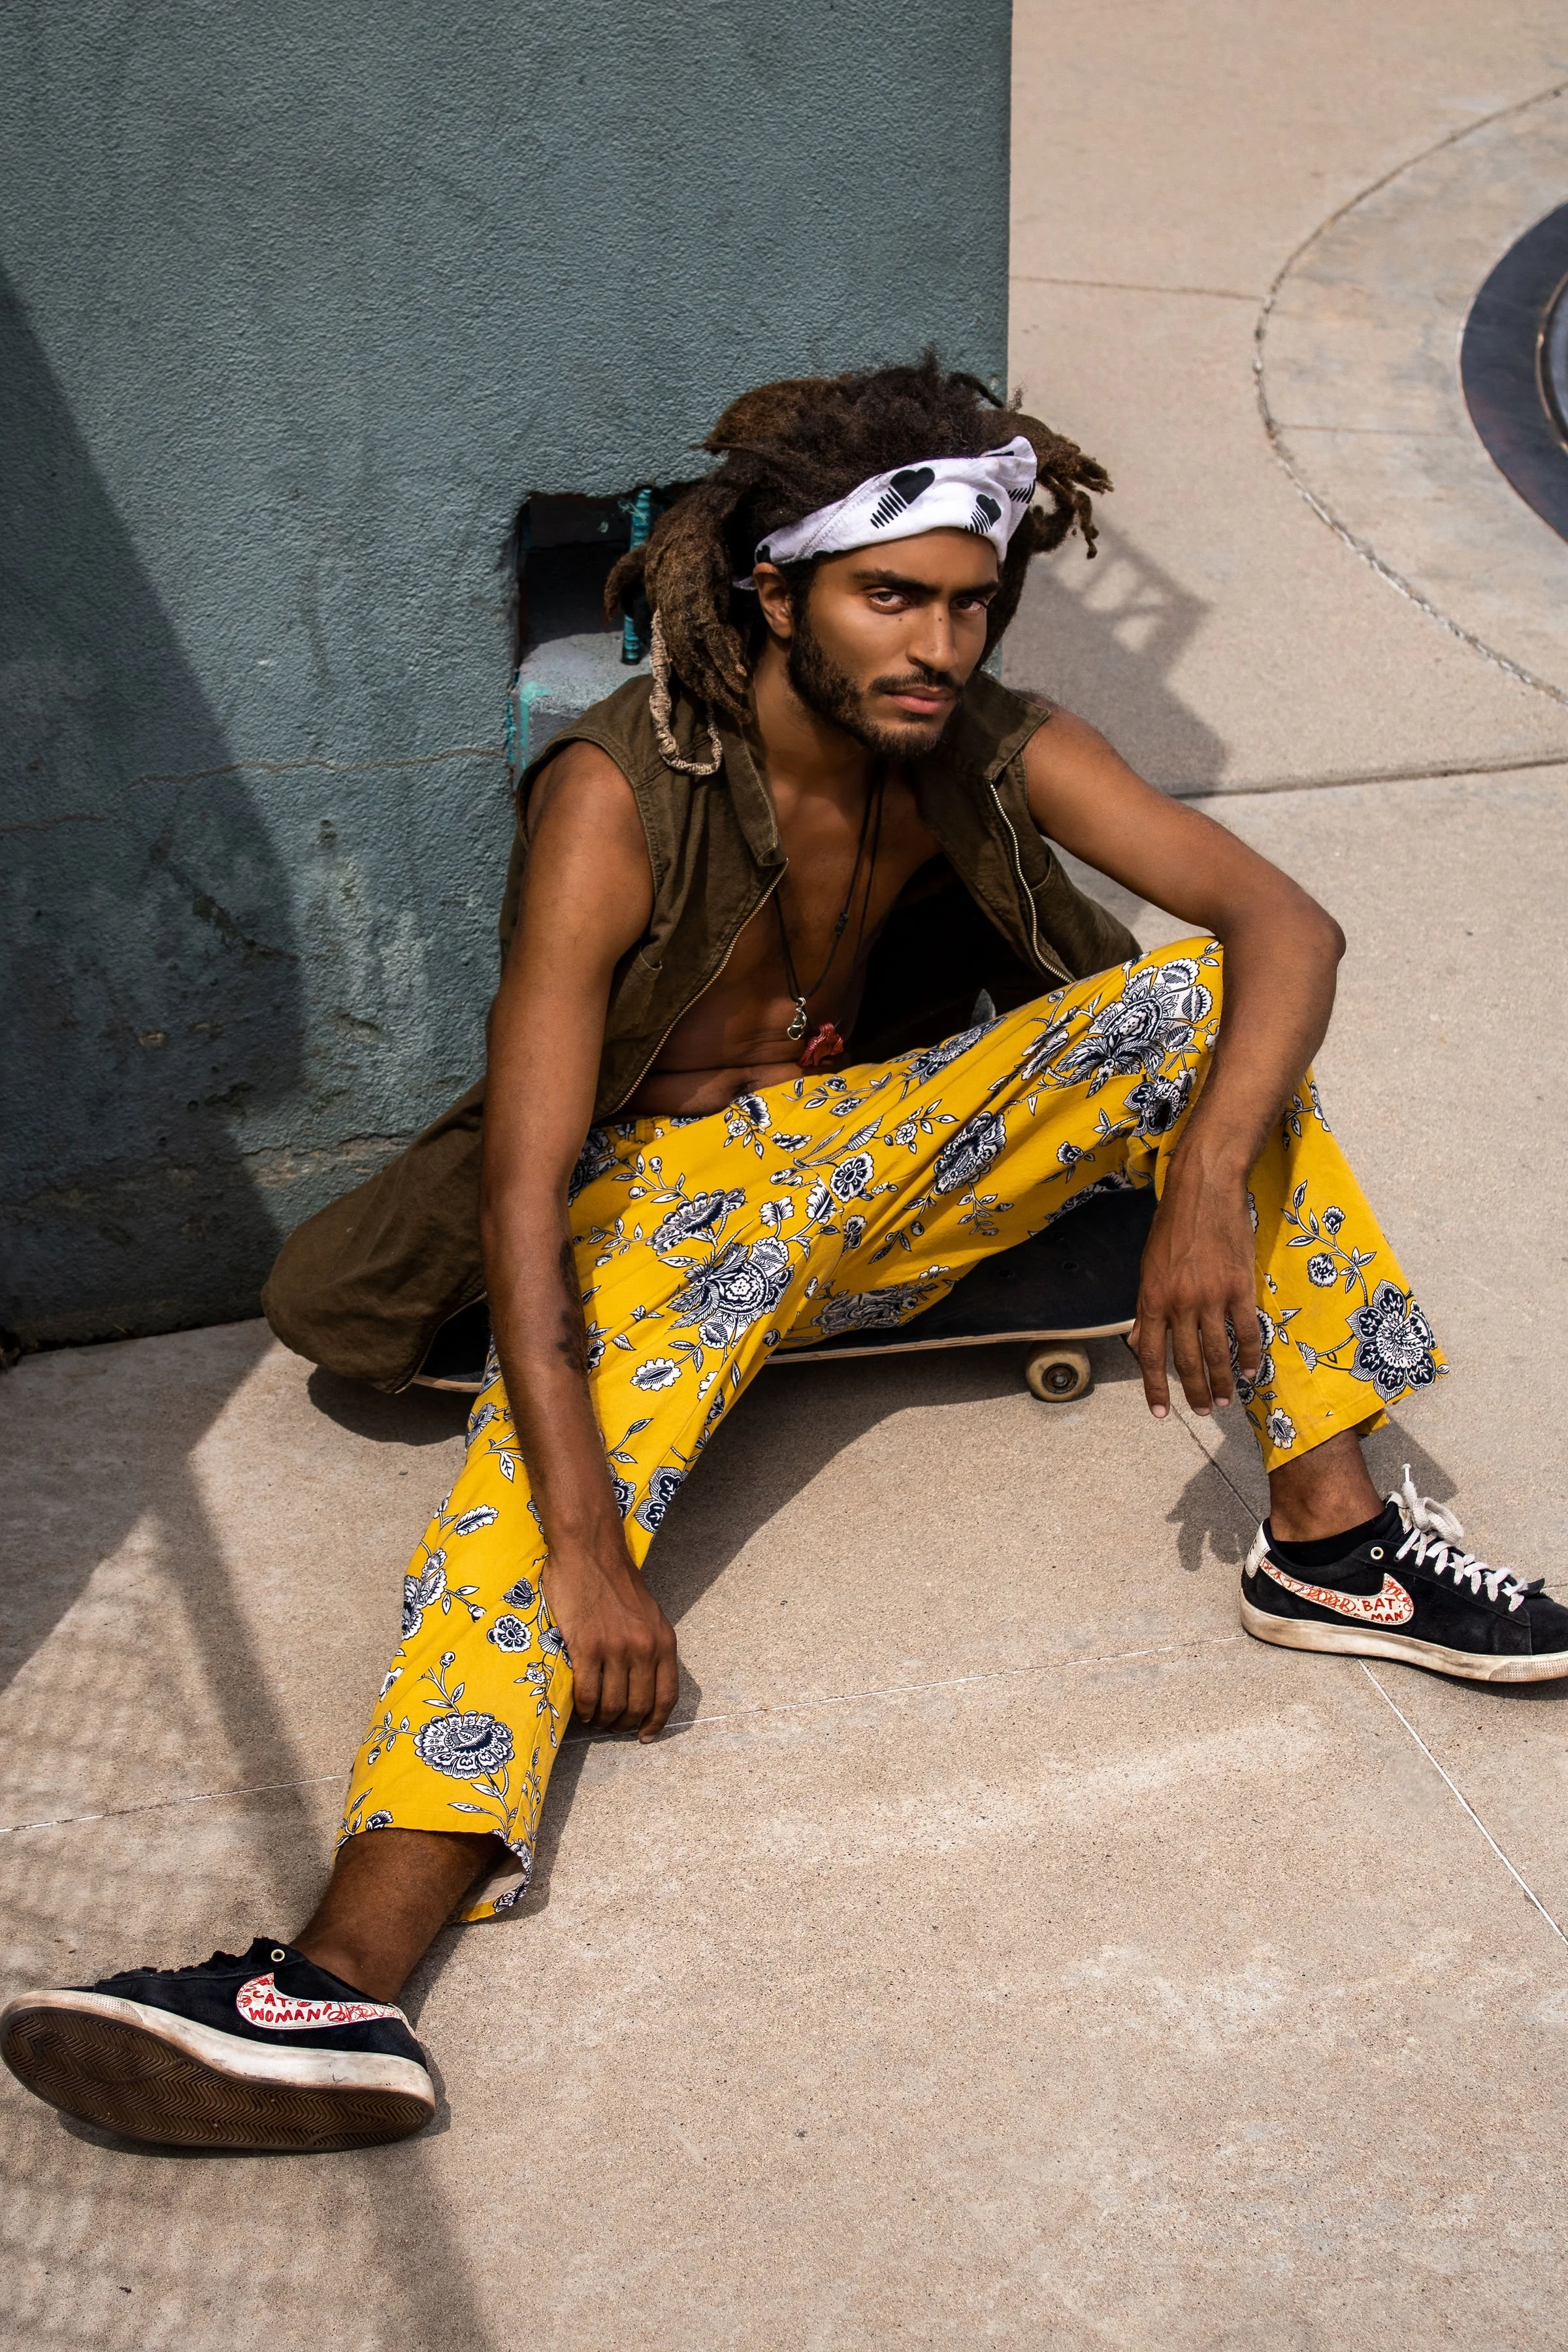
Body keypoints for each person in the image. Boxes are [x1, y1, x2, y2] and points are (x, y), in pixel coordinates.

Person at [7, 357, 1565, 2156]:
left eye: (968, 605)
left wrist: (1204, 1182)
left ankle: (1336, 1546)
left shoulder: (978, 739)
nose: (937, 646)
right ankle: (339, 1988)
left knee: (1204, 1010)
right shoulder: (617, 796)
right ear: (778, 589)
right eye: (889, 597)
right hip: (662, 1217)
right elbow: (524, 1200)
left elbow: (1283, 923)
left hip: (877, 1162)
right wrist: (594, 1548)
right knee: (519, 1530)